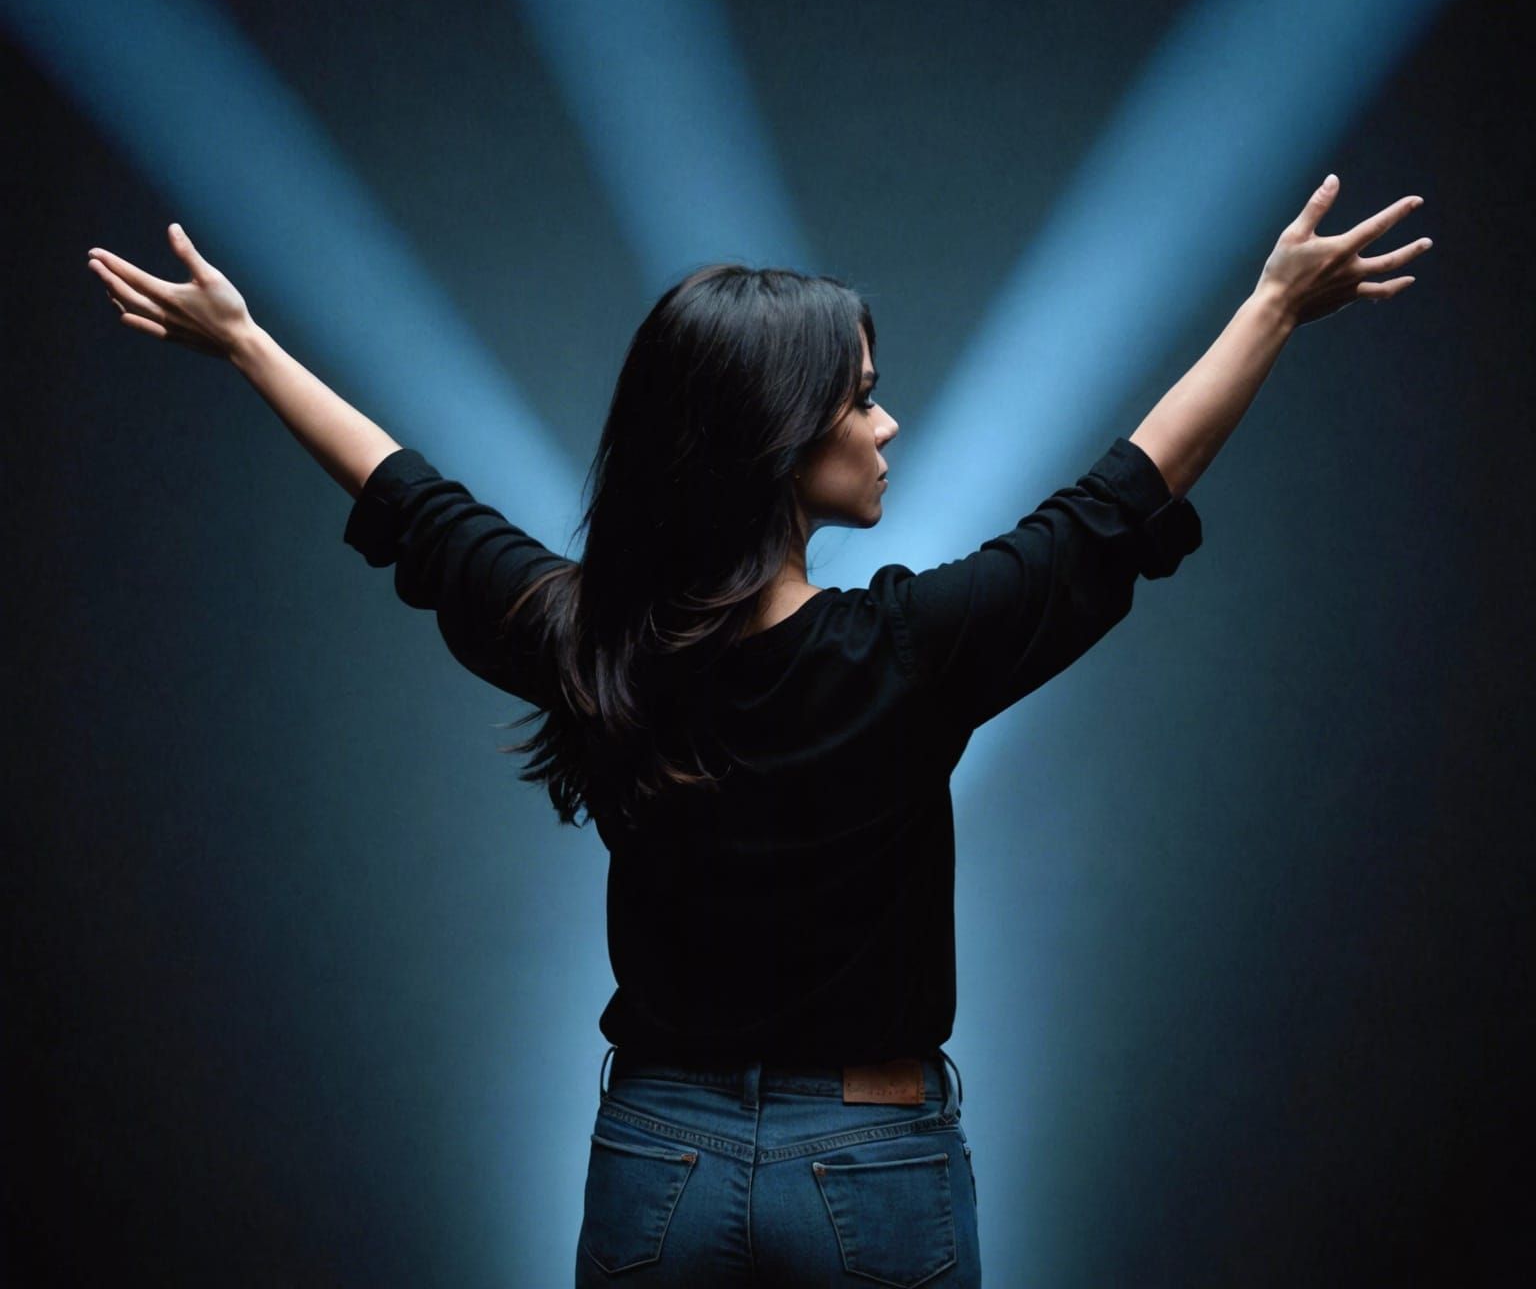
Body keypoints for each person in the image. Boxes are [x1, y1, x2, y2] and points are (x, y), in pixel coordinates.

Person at [84, 173, 1431, 1286]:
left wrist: (248, 345)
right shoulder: (908, 652)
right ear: (782, 441)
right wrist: (1271, 309)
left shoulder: (590, 644)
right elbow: (1122, 502)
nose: (888, 422)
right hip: (875, 1157)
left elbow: (418, 512)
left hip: (655, 1156)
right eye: (861, 397)